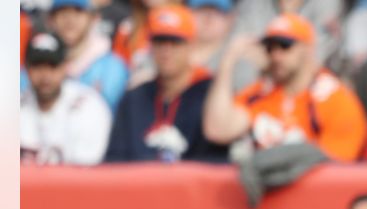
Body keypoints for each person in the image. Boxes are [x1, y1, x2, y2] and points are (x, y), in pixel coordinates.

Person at [203, 13, 367, 161]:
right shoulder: (261, 92)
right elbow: (218, 130)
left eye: (285, 46)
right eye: (270, 47)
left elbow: (334, 168)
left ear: (307, 48)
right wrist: (227, 62)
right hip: (260, 188)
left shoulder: (334, 98)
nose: (276, 55)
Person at [104, 5, 231, 162]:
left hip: (191, 185)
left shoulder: (209, 95)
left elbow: (219, 160)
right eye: (160, 41)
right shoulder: (134, 99)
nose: (166, 51)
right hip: (141, 184)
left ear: (191, 46)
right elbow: (114, 162)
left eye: (175, 42)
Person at [21, 31, 114, 166]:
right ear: (26, 68)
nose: (45, 75)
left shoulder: (89, 106)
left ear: (65, 66)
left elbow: (86, 174)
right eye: (37, 66)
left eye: (53, 66)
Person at [44, 0, 131, 111]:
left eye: (78, 11)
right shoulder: (38, 64)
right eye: (63, 12)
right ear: (50, 20)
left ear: (94, 18)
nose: (70, 20)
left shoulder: (112, 68)